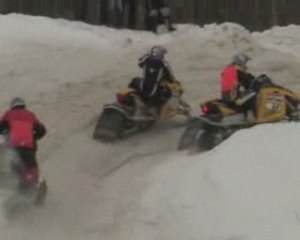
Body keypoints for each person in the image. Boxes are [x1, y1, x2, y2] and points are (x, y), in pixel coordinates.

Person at [0, 97, 46, 186]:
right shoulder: (30, 115)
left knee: (15, 166)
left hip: (15, 147)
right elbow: (42, 130)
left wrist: (6, 133)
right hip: (29, 148)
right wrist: (34, 138)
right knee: (31, 166)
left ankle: (19, 185)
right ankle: (34, 183)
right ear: (23, 106)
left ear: (12, 107)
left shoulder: (8, 115)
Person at [129, 45, 178, 116]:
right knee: (168, 92)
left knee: (134, 80)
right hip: (154, 90)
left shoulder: (146, 58)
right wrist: (174, 81)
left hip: (142, 86)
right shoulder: (164, 64)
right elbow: (171, 77)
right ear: (162, 54)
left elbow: (140, 63)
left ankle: (134, 100)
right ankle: (154, 108)